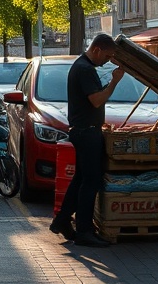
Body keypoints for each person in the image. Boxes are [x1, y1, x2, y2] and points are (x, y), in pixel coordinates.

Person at [50, 33, 125, 248]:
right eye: (108, 56)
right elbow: (97, 100)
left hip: (84, 130)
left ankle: (62, 220)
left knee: (81, 179)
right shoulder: (85, 69)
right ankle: (84, 230)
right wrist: (114, 81)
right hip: (87, 132)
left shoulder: (83, 67)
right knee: (91, 181)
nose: (108, 61)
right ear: (97, 50)